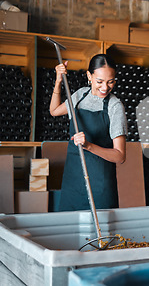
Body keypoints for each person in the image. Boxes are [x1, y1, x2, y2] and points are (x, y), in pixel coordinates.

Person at [50, 54, 127, 211]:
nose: (105, 87)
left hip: (100, 183)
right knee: (70, 227)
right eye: (99, 81)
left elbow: (120, 156)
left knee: (101, 231)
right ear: (89, 76)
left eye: (110, 82)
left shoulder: (115, 107)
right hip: (74, 177)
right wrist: (58, 81)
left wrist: (89, 146)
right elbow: (54, 110)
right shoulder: (80, 95)